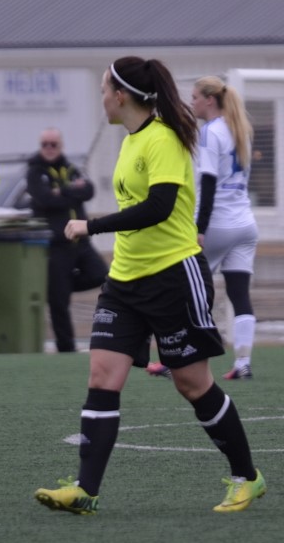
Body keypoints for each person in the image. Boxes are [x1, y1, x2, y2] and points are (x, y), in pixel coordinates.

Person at [34, 57, 265, 515]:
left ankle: (248, 477)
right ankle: (85, 490)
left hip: (173, 278)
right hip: (124, 281)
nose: (101, 97)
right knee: (102, 376)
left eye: (104, 89)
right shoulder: (131, 140)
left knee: (193, 385)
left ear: (121, 95)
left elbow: (159, 207)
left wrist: (91, 226)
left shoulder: (164, 139)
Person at [189, 77, 259, 380]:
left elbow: (208, 183)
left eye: (194, 97)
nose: (191, 103)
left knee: (188, 291)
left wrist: (200, 228)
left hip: (217, 224)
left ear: (209, 100)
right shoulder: (240, 129)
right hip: (245, 224)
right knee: (239, 294)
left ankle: (181, 358)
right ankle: (243, 363)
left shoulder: (210, 131)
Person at [26, 128, 107, 353]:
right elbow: (44, 199)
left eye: (53, 144)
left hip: (80, 242)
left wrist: (60, 192)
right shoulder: (35, 172)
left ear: (60, 146)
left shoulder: (70, 168)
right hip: (56, 245)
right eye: (45, 144)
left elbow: (89, 190)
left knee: (101, 274)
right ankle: (66, 349)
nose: (49, 148)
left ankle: (63, 285)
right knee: (58, 303)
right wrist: (71, 192)